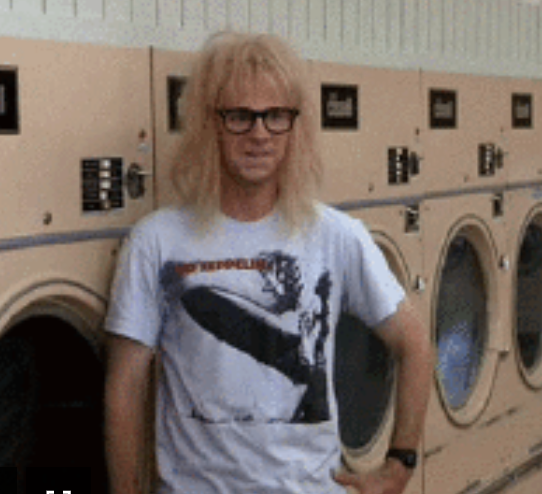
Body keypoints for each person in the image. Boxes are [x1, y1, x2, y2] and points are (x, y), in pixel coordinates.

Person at [104, 31, 432, 494]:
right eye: (240, 116)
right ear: (208, 123)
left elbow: (415, 342)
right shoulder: (157, 241)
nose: (259, 133)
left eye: (275, 116)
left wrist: (399, 465)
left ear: (294, 125)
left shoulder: (336, 236)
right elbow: (125, 387)